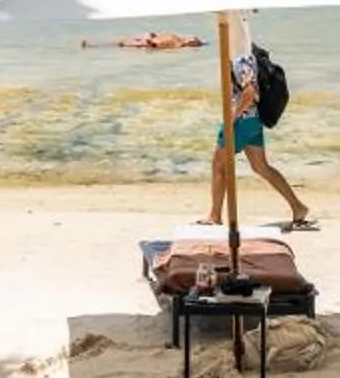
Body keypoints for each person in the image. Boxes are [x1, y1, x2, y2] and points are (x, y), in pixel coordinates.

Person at [208, 23, 316, 231]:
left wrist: (231, 118)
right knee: (261, 167)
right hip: (254, 121)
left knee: (219, 165)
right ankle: (298, 207)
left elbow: (250, 93)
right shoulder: (246, 55)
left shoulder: (240, 59)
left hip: (242, 121)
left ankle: (214, 217)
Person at [83, 31, 204, 50]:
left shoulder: (178, 44)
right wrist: (151, 36)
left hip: (143, 44)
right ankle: (92, 45)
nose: (193, 38)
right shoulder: (179, 39)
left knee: (119, 44)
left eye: (194, 40)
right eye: (194, 38)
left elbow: (158, 46)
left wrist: (150, 41)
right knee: (119, 43)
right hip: (145, 41)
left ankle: (91, 46)